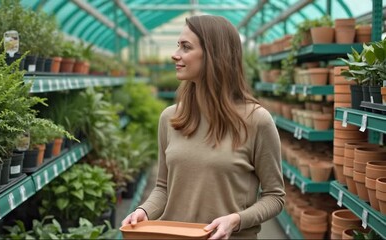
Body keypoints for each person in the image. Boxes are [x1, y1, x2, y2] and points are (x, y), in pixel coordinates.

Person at [121, 15, 285, 239]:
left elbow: (275, 196)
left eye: (186, 47)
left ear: (214, 55)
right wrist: (143, 211)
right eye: (178, 45)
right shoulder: (170, 118)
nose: (175, 54)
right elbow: (163, 187)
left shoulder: (257, 121)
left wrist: (237, 220)